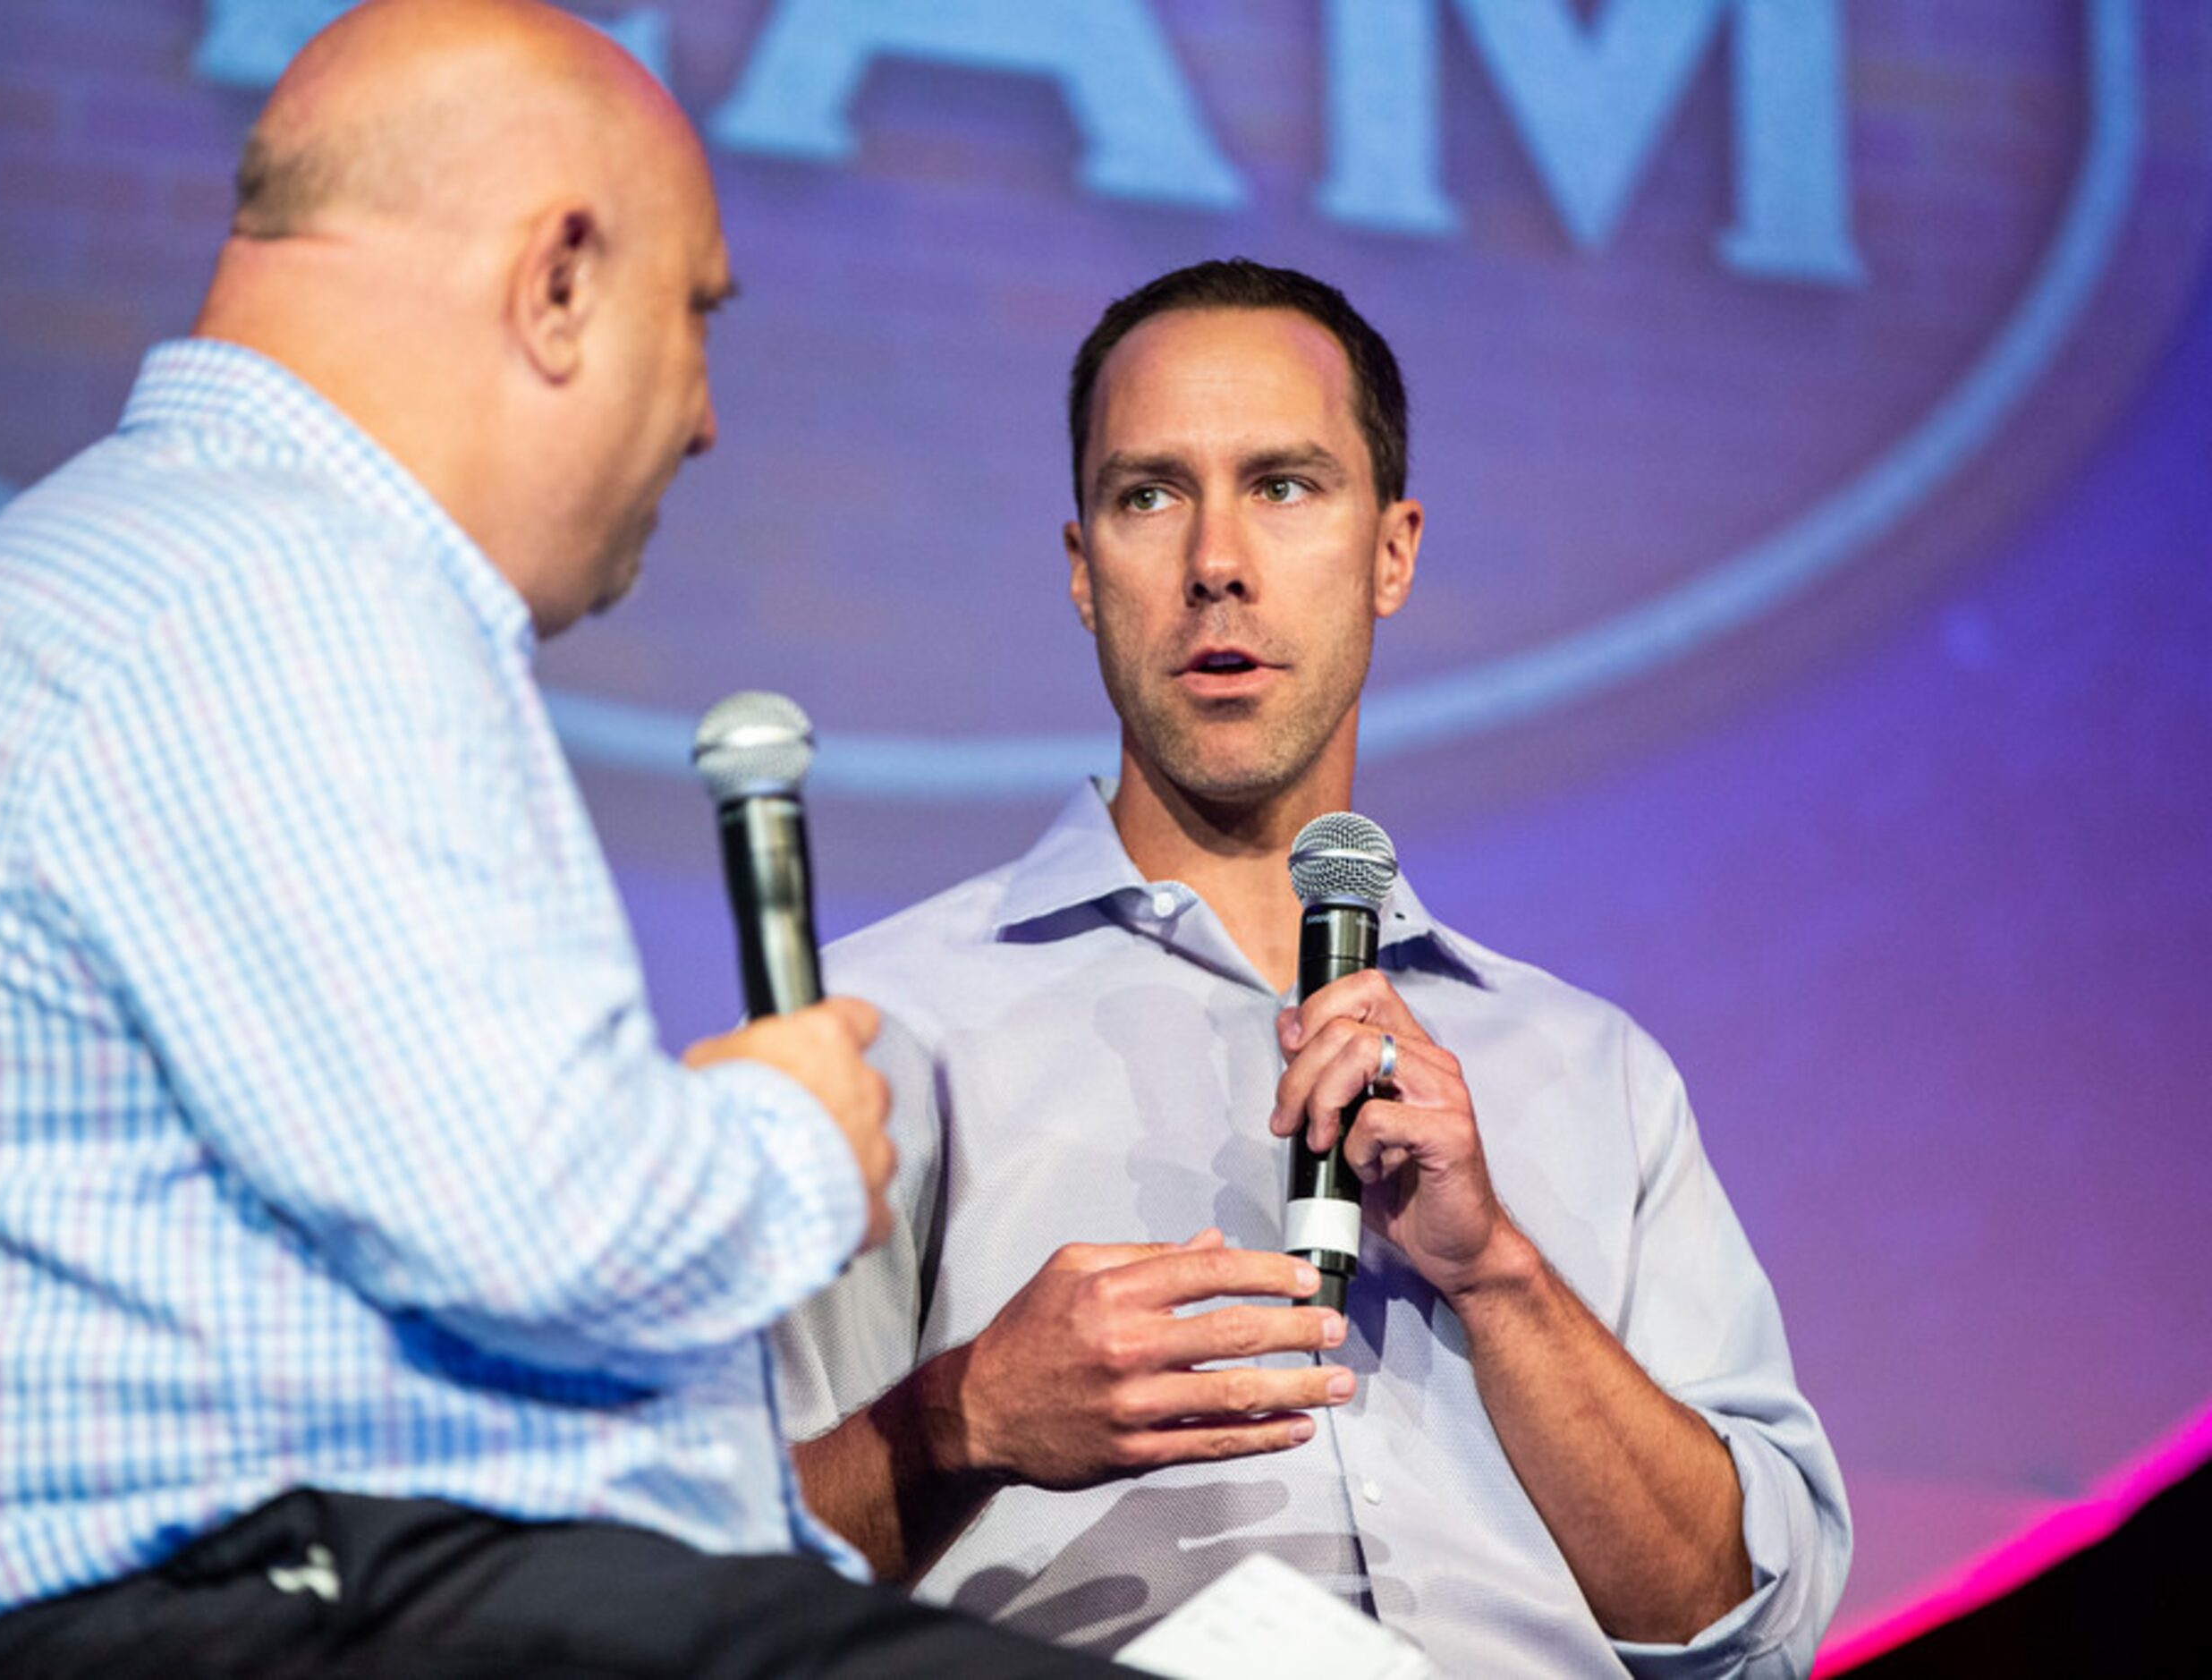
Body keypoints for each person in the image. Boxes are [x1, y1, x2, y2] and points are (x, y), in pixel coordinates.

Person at [0, 4, 1113, 1675]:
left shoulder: (181, 561)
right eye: (696, 318)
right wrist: (794, 1135)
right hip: (247, 1617)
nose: (705, 418)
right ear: (558, 281)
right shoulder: (280, 586)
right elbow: (556, 1225)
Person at [774, 259, 1852, 1676]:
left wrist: (1502, 1281)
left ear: (1392, 552)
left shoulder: (1593, 1069)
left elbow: (1748, 1625)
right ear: (1084, 573)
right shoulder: (875, 1033)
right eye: (1149, 494)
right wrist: (960, 1417)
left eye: (1285, 485)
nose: (1216, 557)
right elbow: (690, 1579)